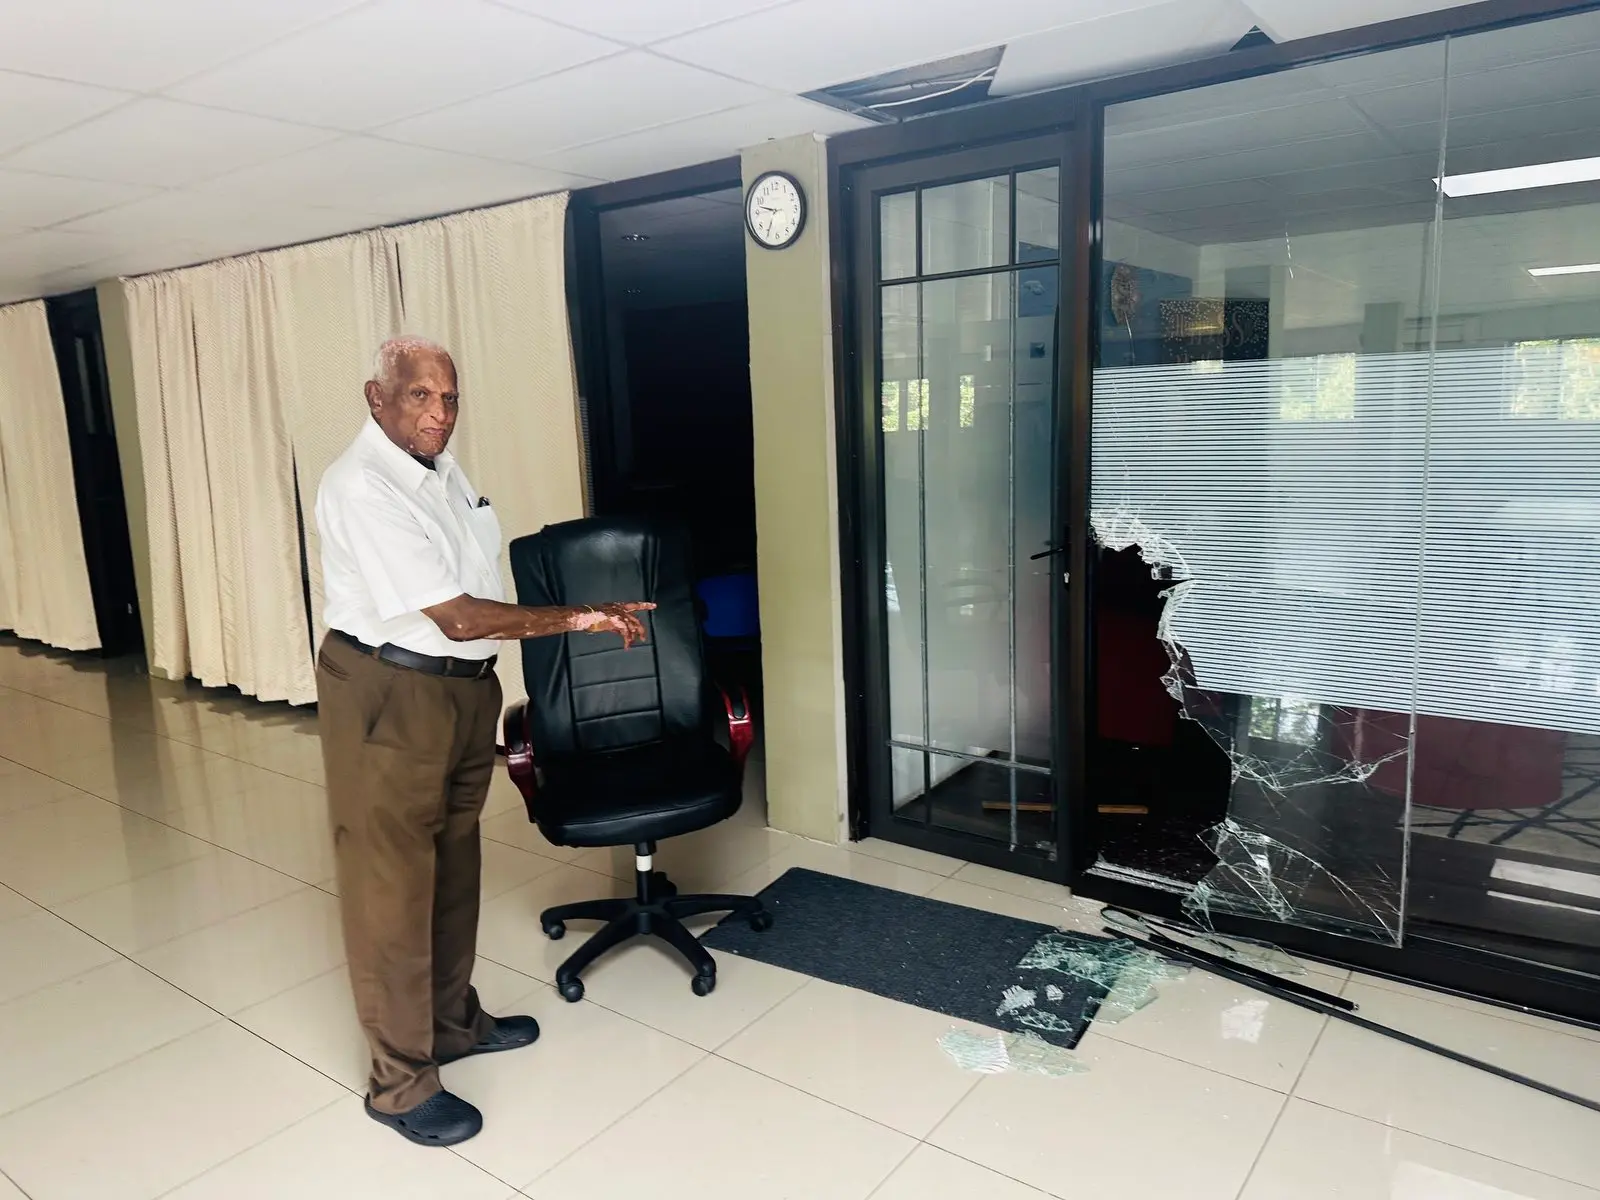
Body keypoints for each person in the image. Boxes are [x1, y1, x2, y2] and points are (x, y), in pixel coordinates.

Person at [314, 336, 651, 1147]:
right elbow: (459, 614)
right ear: (376, 396)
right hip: (391, 693)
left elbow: (473, 603)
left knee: (454, 865)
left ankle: (452, 1023)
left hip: (463, 692)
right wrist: (582, 618)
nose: (439, 413)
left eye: (450, 397)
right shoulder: (361, 486)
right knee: (392, 890)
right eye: (420, 396)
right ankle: (399, 1085)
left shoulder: (440, 468)